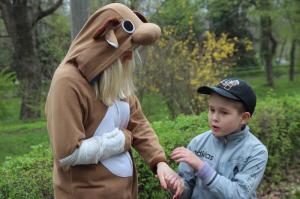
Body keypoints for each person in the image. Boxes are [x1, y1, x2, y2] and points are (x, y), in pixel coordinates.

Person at [45, 3, 181, 199]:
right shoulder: (68, 82)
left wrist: (159, 162)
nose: (130, 57)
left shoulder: (114, 79)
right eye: (127, 50)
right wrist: (120, 141)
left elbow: (138, 123)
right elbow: (67, 154)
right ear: (107, 44)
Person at [167, 78, 268, 199]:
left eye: (224, 112)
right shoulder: (198, 143)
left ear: (244, 117)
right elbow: (186, 190)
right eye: (212, 109)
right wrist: (175, 185)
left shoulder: (256, 152)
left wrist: (201, 167)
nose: (214, 117)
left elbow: (239, 194)